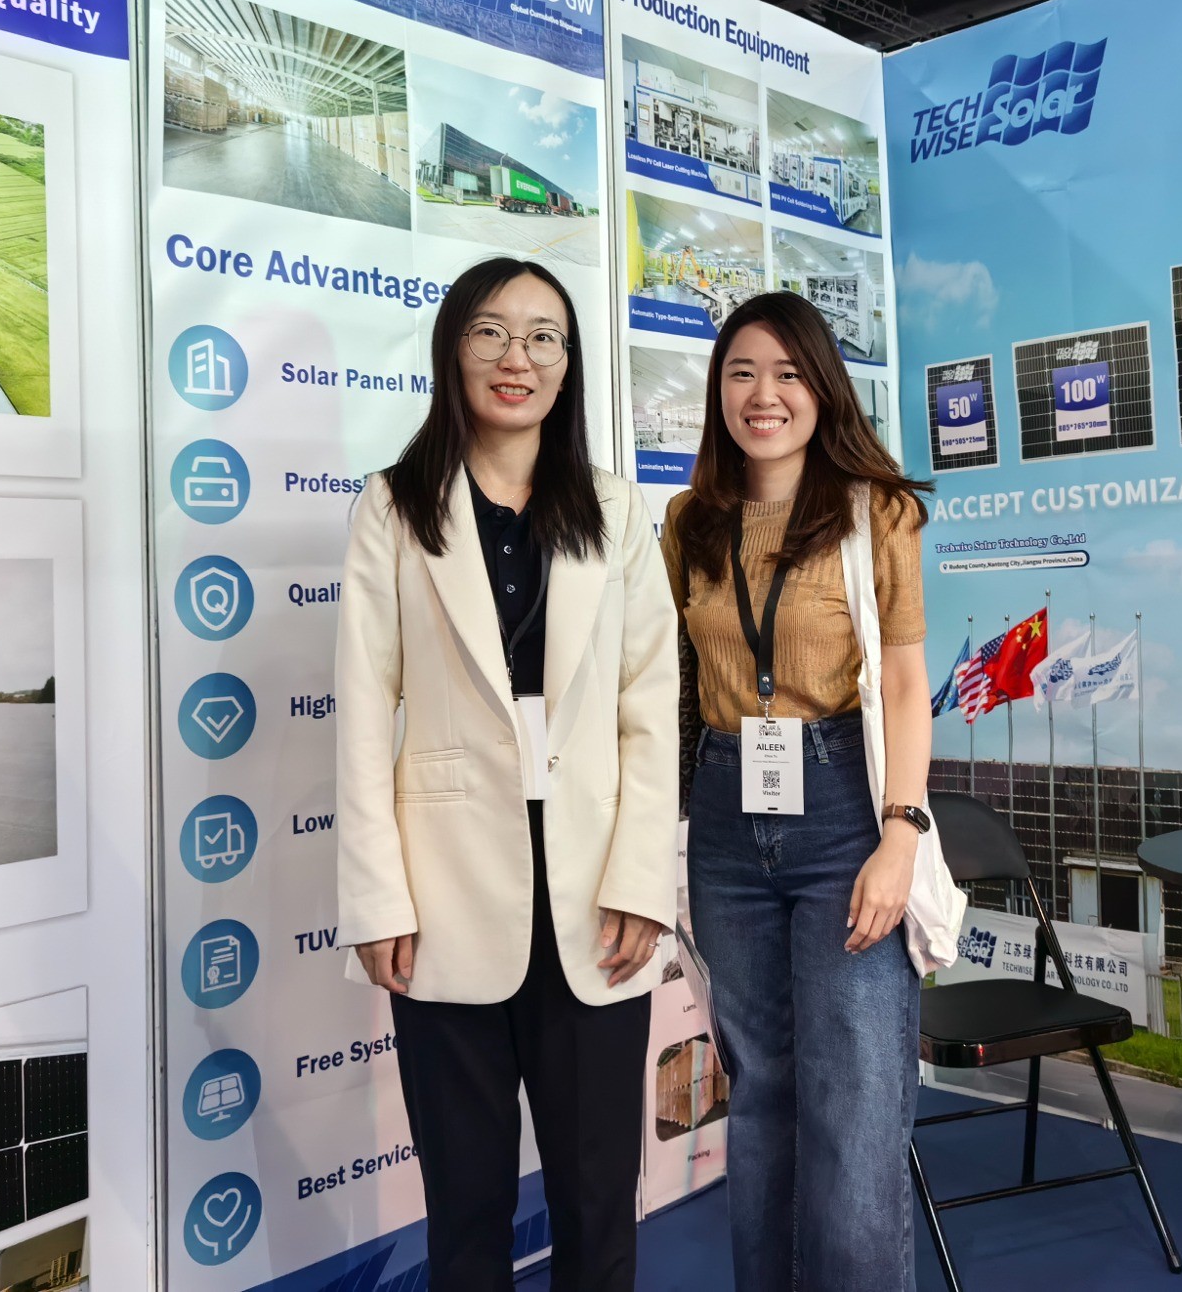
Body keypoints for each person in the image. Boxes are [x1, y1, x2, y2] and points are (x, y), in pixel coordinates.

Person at [336, 256, 678, 1291]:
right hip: (444, 893)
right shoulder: (394, 506)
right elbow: (362, 713)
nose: (514, 357)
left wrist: (641, 881)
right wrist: (376, 897)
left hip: (594, 898)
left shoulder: (614, 510)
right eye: (490, 331)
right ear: (453, 349)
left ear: (568, 366)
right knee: (467, 1211)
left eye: (541, 336)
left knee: (596, 1204)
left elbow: (649, 706)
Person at [662, 292, 935, 1290]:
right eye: (740, 373)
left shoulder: (875, 512)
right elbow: (678, 682)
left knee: (854, 1101)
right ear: (717, 393)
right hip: (724, 815)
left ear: (822, 389)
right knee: (762, 1091)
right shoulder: (688, 523)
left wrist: (900, 835)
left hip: (844, 816)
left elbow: (903, 680)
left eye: (786, 374)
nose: (762, 395)